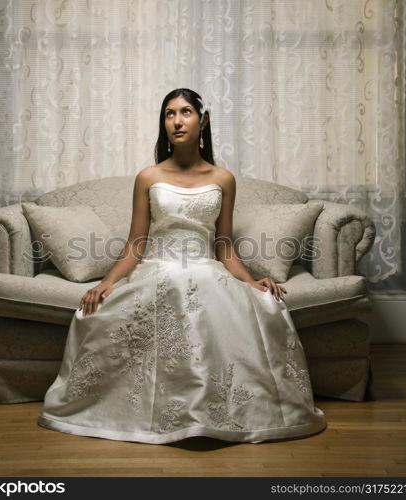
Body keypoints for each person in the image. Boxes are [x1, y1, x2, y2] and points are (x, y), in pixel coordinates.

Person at [37, 88, 327, 444]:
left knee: (217, 285)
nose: (177, 120)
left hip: (206, 268)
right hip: (158, 267)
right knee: (172, 280)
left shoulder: (222, 179)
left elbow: (224, 246)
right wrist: (107, 282)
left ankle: (212, 412)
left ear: (203, 121)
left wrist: (252, 283)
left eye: (186, 112)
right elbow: (136, 244)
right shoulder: (148, 177)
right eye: (170, 113)